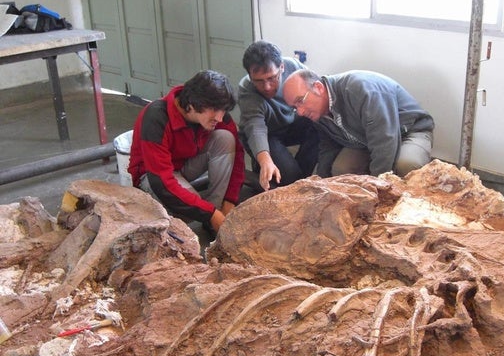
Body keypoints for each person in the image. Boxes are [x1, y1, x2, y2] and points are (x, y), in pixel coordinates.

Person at [127, 70, 245, 235]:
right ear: (192, 104)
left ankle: (215, 219)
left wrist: (229, 201)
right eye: (213, 109)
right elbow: (162, 182)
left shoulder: (218, 116)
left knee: (225, 138)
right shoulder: (156, 117)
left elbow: (238, 157)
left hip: (183, 165)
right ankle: (211, 216)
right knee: (186, 213)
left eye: (223, 110)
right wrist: (208, 213)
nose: (219, 117)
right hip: (152, 177)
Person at [282, 69, 434, 178]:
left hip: (409, 130)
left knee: (406, 165)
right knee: (341, 168)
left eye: (300, 101)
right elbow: (328, 146)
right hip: (365, 139)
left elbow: (385, 141)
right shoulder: (318, 111)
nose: (300, 112)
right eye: (295, 108)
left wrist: (376, 190)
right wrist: (321, 182)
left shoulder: (360, 89)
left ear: (318, 88)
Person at [238, 40, 319, 191]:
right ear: (249, 75)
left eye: (271, 78)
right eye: (259, 81)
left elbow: (316, 94)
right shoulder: (247, 90)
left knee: (318, 124)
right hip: (266, 134)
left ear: (282, 67)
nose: (267, 87)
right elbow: (256, 128)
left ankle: (299, 182)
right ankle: (264, 173)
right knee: (288, 175)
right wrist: (265, 160)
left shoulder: (295, 68)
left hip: (290, 124)